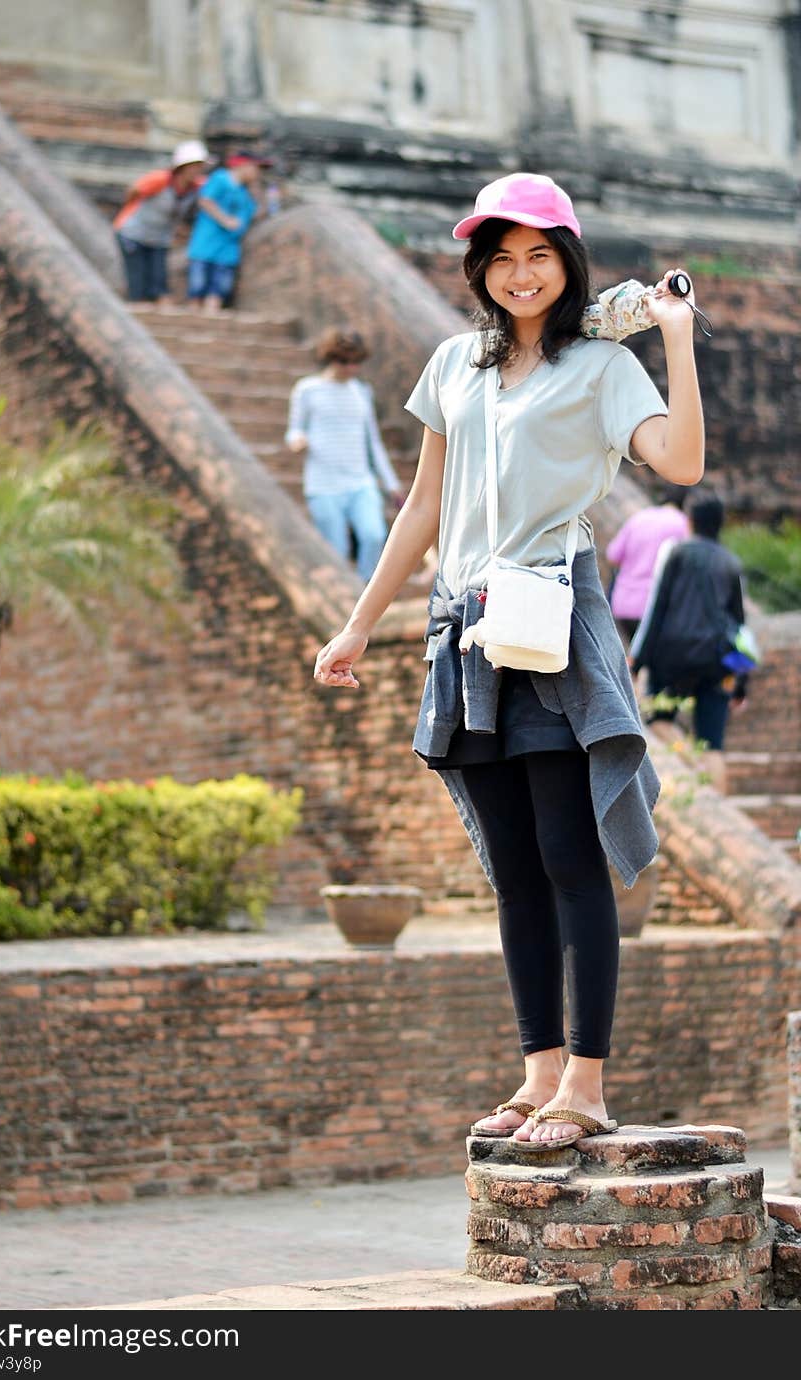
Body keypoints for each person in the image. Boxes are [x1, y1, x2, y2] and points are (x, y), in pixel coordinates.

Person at [312, 172, 704, 1149]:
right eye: (500, 257)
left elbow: (683, 464)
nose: (518, 274)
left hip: (549, 619)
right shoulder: (453, 365)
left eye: (538, 255)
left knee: (572, 859)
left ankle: (588, 1084)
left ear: (566, 264)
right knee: (514, 872)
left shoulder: (604, 370)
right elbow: (422, 507)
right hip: (464, 624)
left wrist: (678, 340)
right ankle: (535, 1076)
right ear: (479, 269)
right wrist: (359, 622)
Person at [629, 495, 747, 781]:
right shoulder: (730, 562)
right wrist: (742, 682)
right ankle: (718, 807)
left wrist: (636, 660)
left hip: (672, 657)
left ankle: (692, 770)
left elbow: (656, 609)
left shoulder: (675, 551)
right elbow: (740, 627)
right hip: (716, 659)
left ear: (690, 520)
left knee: (657, 720)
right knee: (713, 745)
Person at [286, 329, 404, 581]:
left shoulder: (362, 391)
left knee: (373, 535)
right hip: (323, 483)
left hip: (360, 480)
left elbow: (373, 440)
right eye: (344, 361)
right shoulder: (307, 389)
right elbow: (294, 429)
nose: (350, 368)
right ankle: (347, 598)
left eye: (356, 362)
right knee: (336, 550)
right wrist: (298, 441)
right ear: (331, 358)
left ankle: (363, 592)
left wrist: (391, 483)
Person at [113, 140, 209, 304]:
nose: (197, 171)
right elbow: (133, 191)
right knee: (138, 277)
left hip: (159, 238)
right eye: (194, 166)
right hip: (133, 233)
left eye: (200, 167)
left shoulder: (196, 187)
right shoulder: (160, 180)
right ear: (182, 167)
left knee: (159, 279)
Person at [606, 485, 691, 641]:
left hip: (623, 604)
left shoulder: (639, 518)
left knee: (634, 656)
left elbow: (613, 555)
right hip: (656, 607)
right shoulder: (682, 524)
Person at [186, 152, 266, 312]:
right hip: (206, 244)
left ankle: (210, 315)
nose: (258, 173)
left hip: (228, 250)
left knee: (219, 289)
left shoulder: (246, 193)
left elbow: (257, 214)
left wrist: (257, 191)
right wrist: (225, 220)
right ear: (244, 165)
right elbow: (205, 200)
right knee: (198, 286)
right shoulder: (221, 179)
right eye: (256, 168)